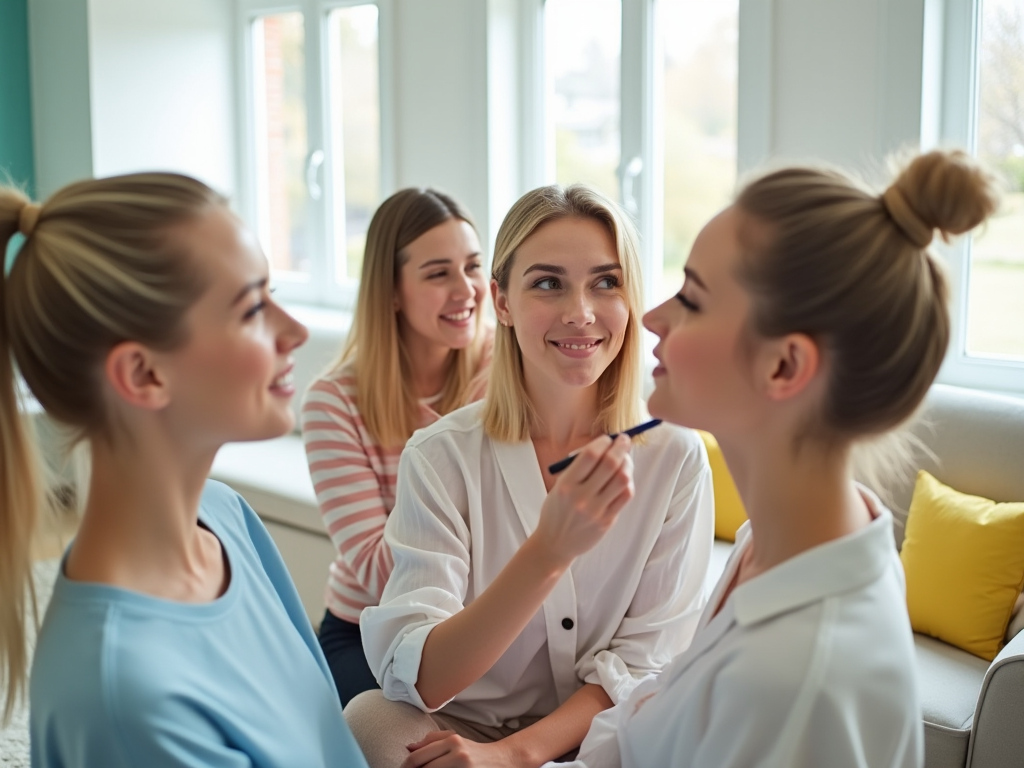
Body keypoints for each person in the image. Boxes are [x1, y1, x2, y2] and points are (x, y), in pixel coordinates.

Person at [556, 149, 1000, 768]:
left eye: (694, 298)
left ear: (784, 366)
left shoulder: (792, 682)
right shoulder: (784, 538)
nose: (652, 318)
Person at [0, 173, 369, 767]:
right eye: (252, 308)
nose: (295, 330)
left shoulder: (223, 516)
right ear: (144, 375)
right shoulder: (125, 699)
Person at [345, 184, 714, 768]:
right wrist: (548, 552)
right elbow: (421, 682)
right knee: (370, 720)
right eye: (548, 283)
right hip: (461, 725)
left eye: (605, 282)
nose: (580, 313)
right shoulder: (442, 457)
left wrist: (514, 755)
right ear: (503, 301)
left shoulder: (675, 457)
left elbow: (646, 665)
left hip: (606, 731)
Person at [301, 188, 492, 706]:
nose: (466, 290)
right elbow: (380, 570)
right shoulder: (333, 403)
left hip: (487, 627)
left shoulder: (507, 373)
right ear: (390, 291)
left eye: (472, 266)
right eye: (437, 274)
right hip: (369, 632)